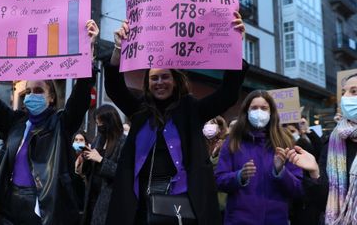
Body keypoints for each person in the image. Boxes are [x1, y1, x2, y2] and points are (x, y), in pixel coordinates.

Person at [104, 12, 247, 224]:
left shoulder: (191, 109)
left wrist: (234, 46)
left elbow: (227, 94)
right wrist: (117, 50)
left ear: (175, 80)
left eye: (165, 76)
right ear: (147, 83)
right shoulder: (139, 109)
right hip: (139, 206)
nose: (159, 82)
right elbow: (115, 89)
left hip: (181, 206)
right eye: (154, 78)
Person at [0, 20, 99, 225]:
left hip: (43, 210)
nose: (32, 96)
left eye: (39, 91)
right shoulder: (15, 122)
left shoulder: (61, 124)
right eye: (29, 91)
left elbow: (80, 95)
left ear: (51, 97)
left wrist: (88, 52)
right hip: (8, 208)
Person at [215, 90, 303, 225]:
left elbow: (298, 189)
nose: (259, 112)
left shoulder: (285, 142)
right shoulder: (233, 141)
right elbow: (219, 180)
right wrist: (239, 176)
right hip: (239, 220)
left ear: (271, 112)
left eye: (264, 108)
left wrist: (281, 171)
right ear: (246, 111)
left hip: (276, 220)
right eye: (254, 108)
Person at [286, 73, 357, 224]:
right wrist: (314, 172)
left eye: (354, 91)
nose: (346, 97)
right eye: (344, 92)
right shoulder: (334, 141)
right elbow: (325, 202)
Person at [77, 104, 126, 225]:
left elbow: (122, 172)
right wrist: (87, 158)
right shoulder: (99, 138)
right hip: (92, 193)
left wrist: (100, 160)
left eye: (101, 122)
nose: (99, 126)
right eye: (97, 122)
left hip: (108, 197)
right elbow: (90, 170)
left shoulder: (123, 141)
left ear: (110, 121)